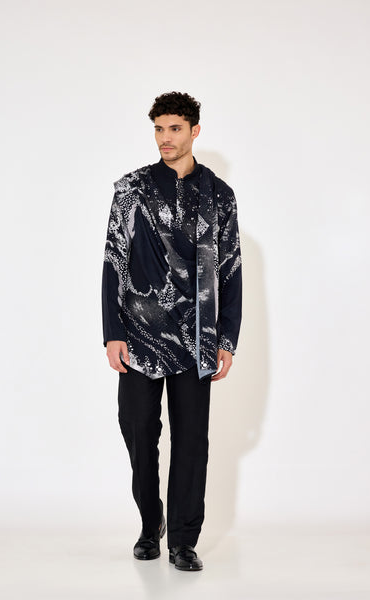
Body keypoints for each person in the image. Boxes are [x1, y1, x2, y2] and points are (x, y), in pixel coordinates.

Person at [101, 91, 242, 571]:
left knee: (192, 441)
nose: (165, 138)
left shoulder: (219, 196)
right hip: (139, 335)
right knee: (138, 430)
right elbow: (113, 262)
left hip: (197, 336)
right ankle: (150, 523)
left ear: (194, 131)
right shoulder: (131, 189)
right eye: (159, 129)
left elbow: (231, 270)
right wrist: (112, 332)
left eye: (175, 128)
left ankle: (183, 540)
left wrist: (227, 338)